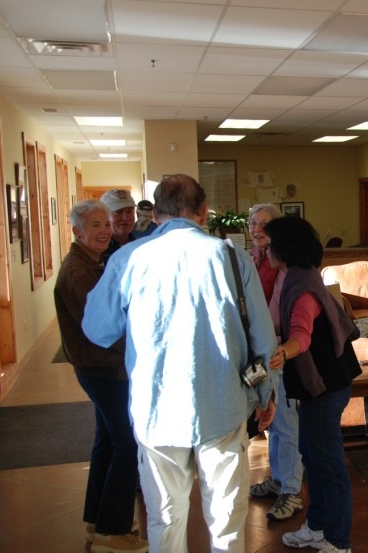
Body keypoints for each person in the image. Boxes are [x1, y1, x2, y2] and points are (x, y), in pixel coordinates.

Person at [83, 174, 278, 553]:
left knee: (164, 519)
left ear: (156, 215)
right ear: (203, 211)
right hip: (222, 407)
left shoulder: (129, 259)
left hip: (157, 411)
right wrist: (265, 394)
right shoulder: (234, 259)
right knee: (226, 521)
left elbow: (96, 328)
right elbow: (263, 338)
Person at [53, 200, 147, 553]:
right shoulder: (77, 271)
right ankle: (112, 529)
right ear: (77, 231)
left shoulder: (92, 262)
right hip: (103, 369)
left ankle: (97, 520)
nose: (105, 231)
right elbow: (102, 327)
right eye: (96, 225)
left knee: (107, 442)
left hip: (102, 367)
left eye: (105, 224)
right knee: (127, 444)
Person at [263, 215, 360, 553]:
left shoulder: (302, 287)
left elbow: (301, 337)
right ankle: (317, 527)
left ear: (285, 248)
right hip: (322, 383)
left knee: (328, 464)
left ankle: (338, 541)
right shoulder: (298, 275)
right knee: (312, 455)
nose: (266, 250)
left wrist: (282, 352)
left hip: (326, 385)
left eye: (270, 244)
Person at [247, 203, 305, 522]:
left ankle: (291, 490)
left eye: (265, 224)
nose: (257, 229)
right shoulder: (251, 259)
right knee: (270, 419)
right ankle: (279, 479)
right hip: (260, 351)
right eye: (253, 223)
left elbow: (277, 315)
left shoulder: (284, 264)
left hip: (279, 350)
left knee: (285, 421)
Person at [99, 189, 137, 263]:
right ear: (104, 216)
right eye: (118, 212)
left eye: (129, 211)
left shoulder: (141, 245)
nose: (125, 217)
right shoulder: (98, 250)